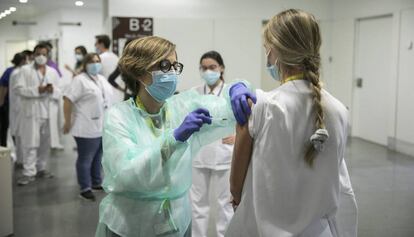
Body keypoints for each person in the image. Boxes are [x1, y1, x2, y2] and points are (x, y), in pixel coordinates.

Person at [95, 36, 256, 237]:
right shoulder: (119, 116)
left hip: (178, 222)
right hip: (131, 225)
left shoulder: (180, 107)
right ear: (139, 71)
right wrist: (173, 140)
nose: (171, 72)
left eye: (174, 66)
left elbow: (227, 107)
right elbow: (127, 175)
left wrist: (238, 88)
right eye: (164, 65)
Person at [225, 9, 358, 237]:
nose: (266, 54)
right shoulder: (339, 110)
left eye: (267, 48)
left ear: (275, 51)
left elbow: (236, 187)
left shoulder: (262, 106)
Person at [190, 51, 234, 237]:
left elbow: (246, 120)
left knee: (225, 205)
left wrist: (238, 137)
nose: (208, 71)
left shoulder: (232, 91)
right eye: (204, 68)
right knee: (198, 205)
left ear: (221, 68)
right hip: (200, 155)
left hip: (225, 154)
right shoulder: (194, 93)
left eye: (212, 67)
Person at [63, 53, 113, 201]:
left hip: (102, 125)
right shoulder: (79, 80)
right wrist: (67, 122)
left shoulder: (102, 79)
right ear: (85, 64)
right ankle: (85, 188)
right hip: (85, 126)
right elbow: (67, 100)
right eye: (92, 61)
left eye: (98, 61)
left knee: (98, 157)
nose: (95, 64)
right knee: (86, 158)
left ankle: (96, 182)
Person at [13, 43, 63, 186]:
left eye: (44, 54)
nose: (41, 57)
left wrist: (52, 90)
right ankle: (28, 172)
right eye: (38, 54)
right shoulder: (24, 70)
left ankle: (41, 168)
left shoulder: (52, 72)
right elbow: (18, 89)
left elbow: (60, 91)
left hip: (48, 113)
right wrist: (37, 90)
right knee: (30, 143)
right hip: (32, 112)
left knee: (45, 143)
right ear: (34, 55)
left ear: (48, 56)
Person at [7, 53, 28, 167]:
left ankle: (21, 159)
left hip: (17, 106)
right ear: (23, 61)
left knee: (19, 134)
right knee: (21, 135)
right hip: (19, 106)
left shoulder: (14, 72)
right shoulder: (19, 72)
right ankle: (21, 159)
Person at [0, 53, 24, 147]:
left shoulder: (19, 71)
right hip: (7, 103)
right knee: (6, 126)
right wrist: (1, 102)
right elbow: (3, 87)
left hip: (16, 103)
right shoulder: (11, 72)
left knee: (12, 127)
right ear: (22, 61)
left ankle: (9, 146)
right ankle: (3, 146)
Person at [95, 34, 124, 102]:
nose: (95, 46)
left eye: (96, 44)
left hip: (104, 94)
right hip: (117, 94)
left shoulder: (100, 58)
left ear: (101, 44)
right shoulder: (116, 58)